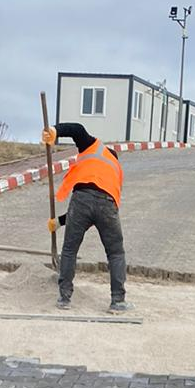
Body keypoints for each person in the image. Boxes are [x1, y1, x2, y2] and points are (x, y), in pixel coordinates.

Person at [41, 122, 127, 312]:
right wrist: (59, 222)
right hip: (107, 204)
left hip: (81, 200)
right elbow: (98, 206)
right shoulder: (116, 169)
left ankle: (64, 299)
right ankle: (118, 301)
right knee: (115, 253)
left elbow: (77, 129)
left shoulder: (93, 146)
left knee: (69, 250)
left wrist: (55, 131)